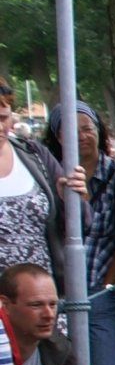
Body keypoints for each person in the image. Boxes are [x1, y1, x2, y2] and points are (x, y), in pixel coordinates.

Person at [44, 102, 115, 365]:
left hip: (102, 293)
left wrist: (108, 285)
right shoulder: (49, 176)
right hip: (58, 294)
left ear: (99, 131)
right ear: (58, 137)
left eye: (87, 129)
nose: (81, 136)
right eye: (71, 130)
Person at [0, 82, 74, 294]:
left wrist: (69, 197)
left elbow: (82, 222)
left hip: (39, 296)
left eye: (3, 118)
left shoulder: (34, 154)